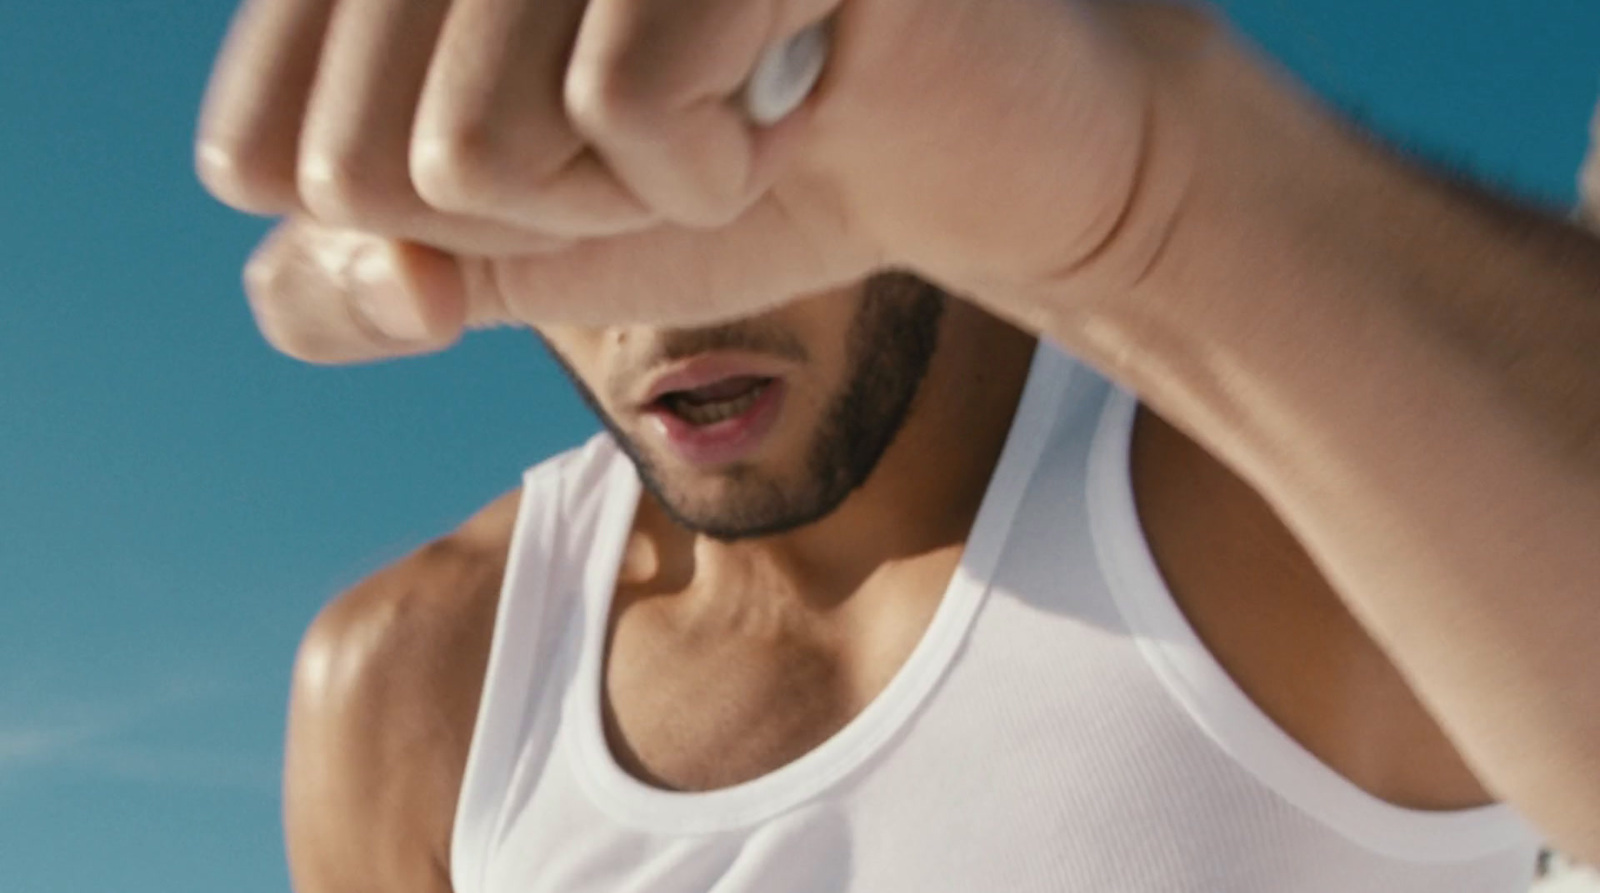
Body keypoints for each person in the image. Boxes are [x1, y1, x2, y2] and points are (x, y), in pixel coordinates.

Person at [193, 0, 1600, 890]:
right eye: (567, 172)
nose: (666, 287)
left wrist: (1160, 197)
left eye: (727, 114)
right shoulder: (418, 684)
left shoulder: (1249, 497)